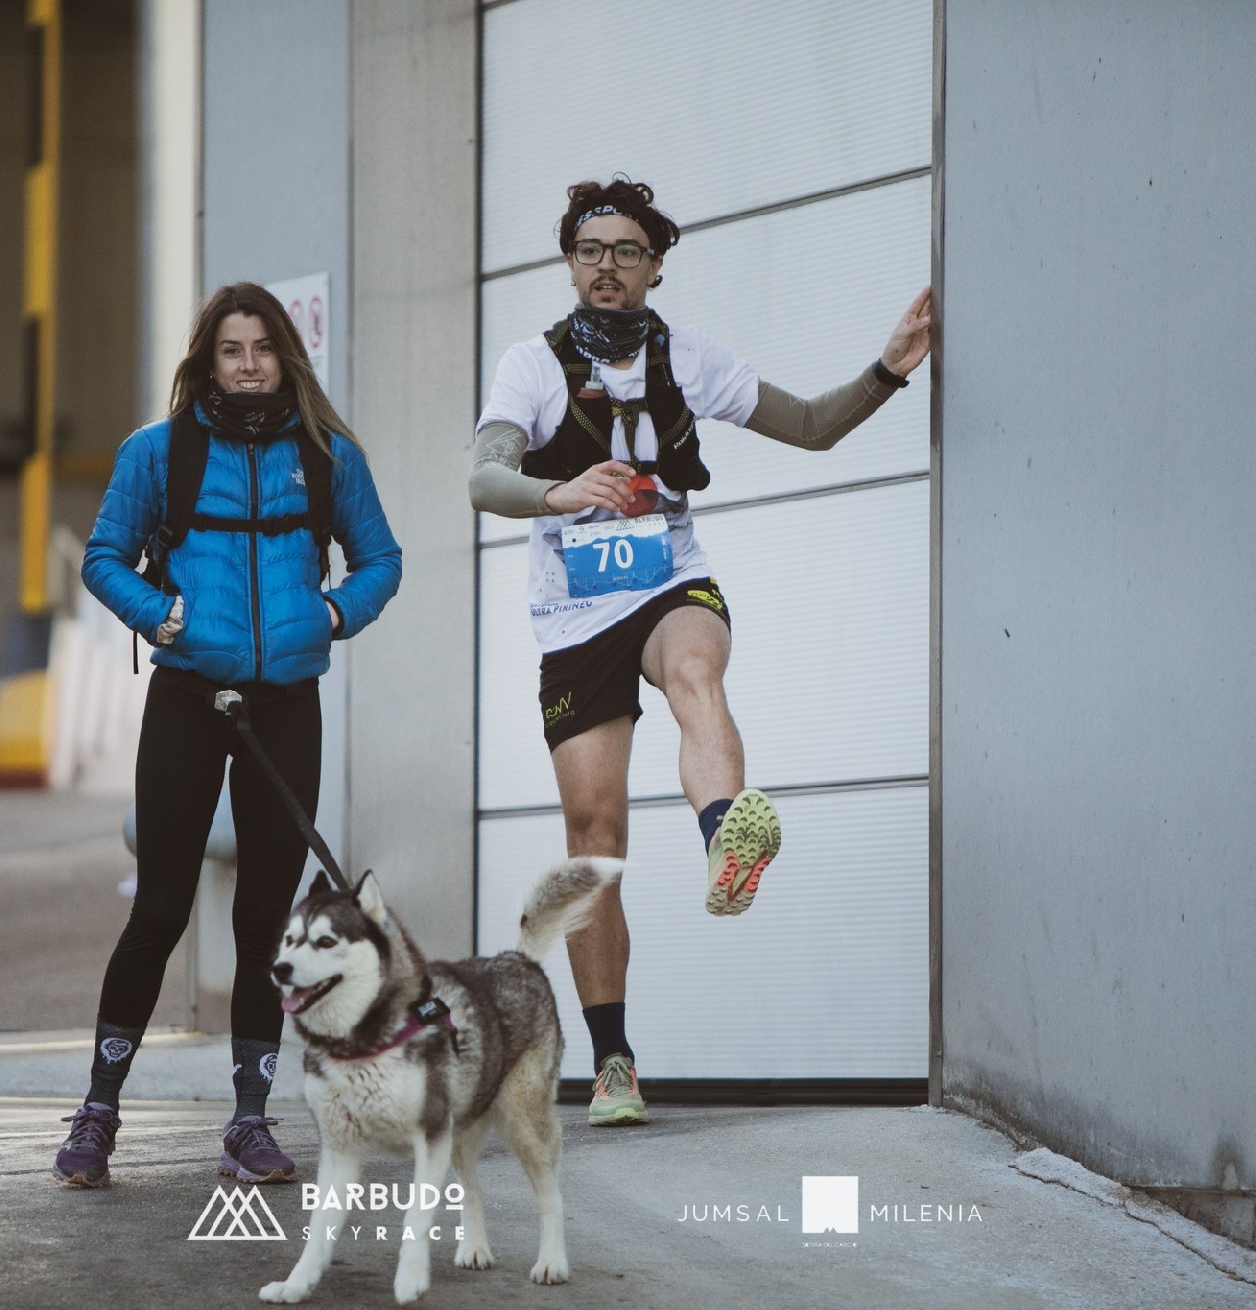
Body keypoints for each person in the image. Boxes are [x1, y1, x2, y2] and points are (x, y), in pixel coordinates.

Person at [468, 177, 934, 1127]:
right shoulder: (532, 366)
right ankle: (613, 1063)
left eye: (626, 250)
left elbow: (811, 426)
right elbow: (484, 479)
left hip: (669, 581)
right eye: (590, 250)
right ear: (569, 264)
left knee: (694, 671)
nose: (607, 265)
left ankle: (727, 838)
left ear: (654, 267)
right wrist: (561, 493)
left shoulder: (690, 357)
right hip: (573, 614)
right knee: (595, 839)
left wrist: (886, 369)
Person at [52, 283, 402, 1187]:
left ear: (286, 355)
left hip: (283, 707)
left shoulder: (327, 456)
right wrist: (159, 615)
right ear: (207, 363)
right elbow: (103, 558)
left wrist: (333, 614)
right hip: (187, 700)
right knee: (159, 909)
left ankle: (249, 1122)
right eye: (231, 351)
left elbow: (380, 559)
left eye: (262, 348)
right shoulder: (156, 452)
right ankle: (98, 1113)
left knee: (264, 923)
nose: (248, 365)